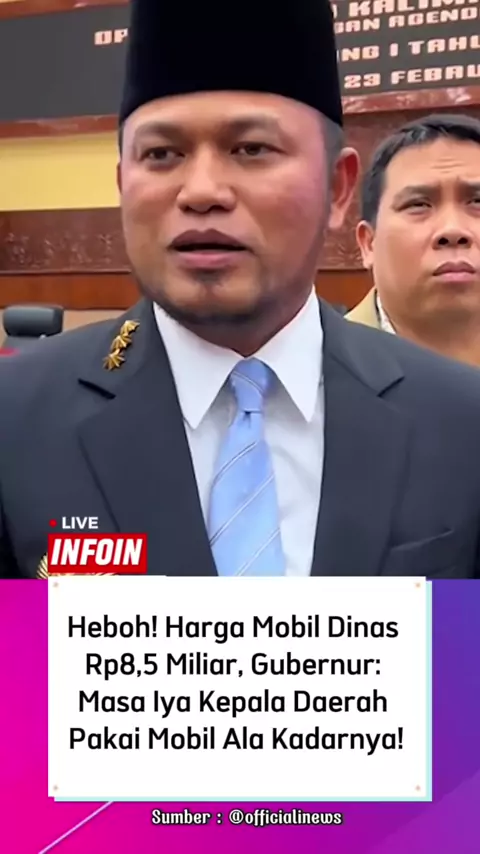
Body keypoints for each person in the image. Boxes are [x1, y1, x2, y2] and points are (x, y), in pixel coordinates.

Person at [1, 0, 480, 579]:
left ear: (337, 189)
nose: (202, 191)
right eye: (162, 154)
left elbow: (460, 639)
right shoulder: (16, 419)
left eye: (251, 149)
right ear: (124, 184)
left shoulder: (461, 421)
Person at [347, 114, 480, 367]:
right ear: (368, 243)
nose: (452, 230)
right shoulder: (309, 375)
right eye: (418, 205)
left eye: (477, 201)